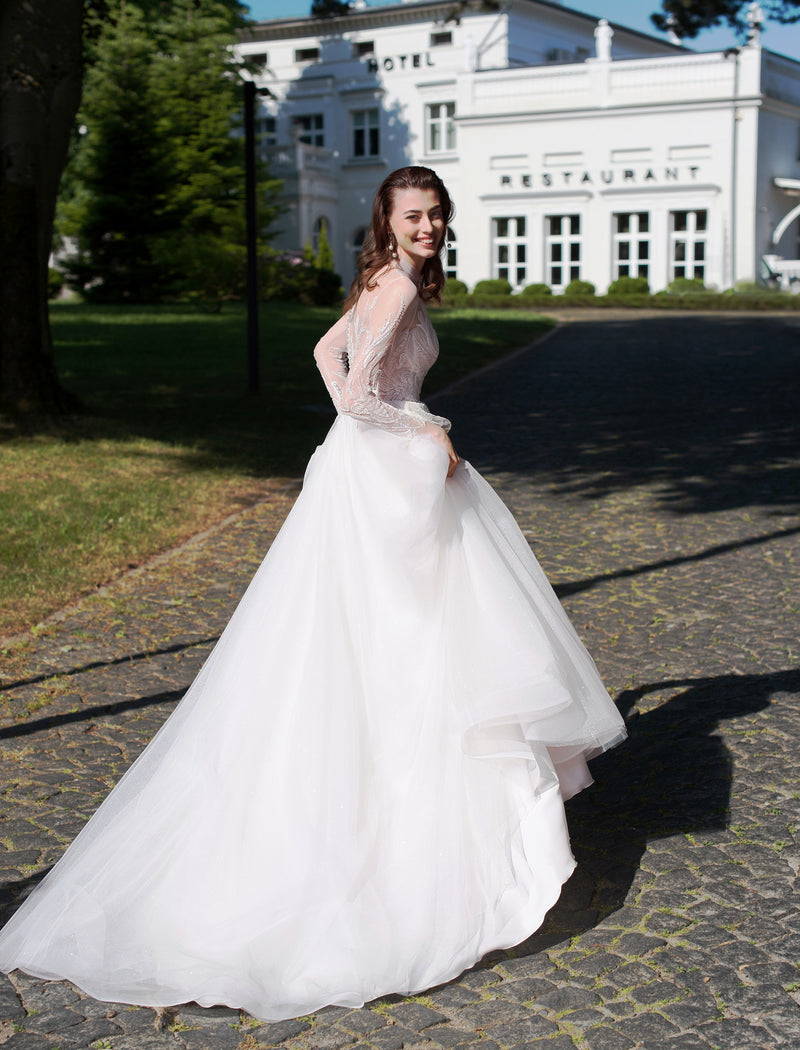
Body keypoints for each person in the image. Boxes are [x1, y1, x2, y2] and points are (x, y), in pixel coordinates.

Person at [0, 166, 625, 1022]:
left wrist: (379, 426)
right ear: (390, 220)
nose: (430, 228)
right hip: (388, 468)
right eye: (416, 216)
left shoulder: (385, 279)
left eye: (437, 216)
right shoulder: (397, 283)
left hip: (369, 470)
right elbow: (362, 388)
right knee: (409, 639)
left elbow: (328, 360)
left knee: (369, 639)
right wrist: (426, 430)